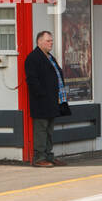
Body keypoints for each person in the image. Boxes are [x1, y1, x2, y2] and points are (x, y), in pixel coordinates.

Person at [23, 30, 70, 166]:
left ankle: (49, 156)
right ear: (39, 42)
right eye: (48, 41)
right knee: (41, 130)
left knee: (49, 130)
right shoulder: (33, 58)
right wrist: (42, 95)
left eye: (51, 41)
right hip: (41, 102)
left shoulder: (49, 57)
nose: (51, 43)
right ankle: (39, 158)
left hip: (53, 101)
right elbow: (32, 81)